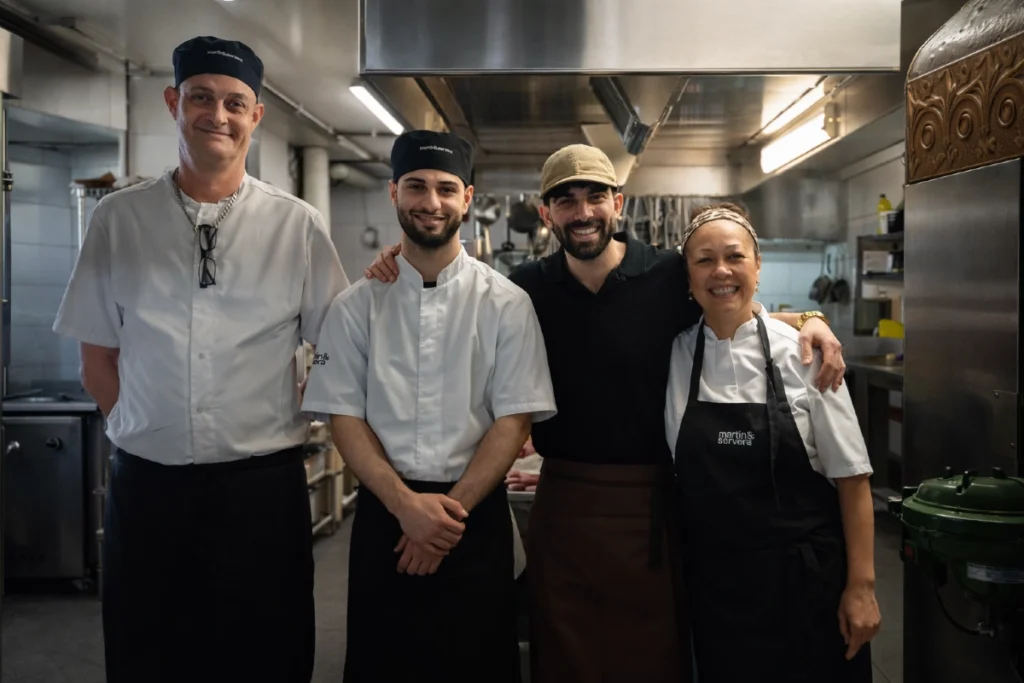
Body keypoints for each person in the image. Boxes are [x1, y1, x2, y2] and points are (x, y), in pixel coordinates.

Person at [363, 143, 847, 683]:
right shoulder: (525, 288)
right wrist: (400, 258)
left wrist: (810, 319)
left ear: (618, 203)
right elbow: (448, 290)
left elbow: (734, 304)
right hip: (564, 503)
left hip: (653, 505)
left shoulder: (668, 276)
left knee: (650, 659)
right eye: (565, 201)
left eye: (595, 197)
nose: (583, 212)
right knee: (565, 656)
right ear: (546, 214)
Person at [52, 36, 349, 683]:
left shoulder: (296, 226)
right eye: (201, 98)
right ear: (173, 102)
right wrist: (143, 428)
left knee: (267, 656)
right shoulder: (119, 220)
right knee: (149, 654)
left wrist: (308, 405)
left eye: (235, 103)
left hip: (261, 492)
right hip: (149, 490)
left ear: (256, 115)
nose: (218, 115)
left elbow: (340, 344)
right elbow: (97, 357)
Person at [301, 129, 556, 683]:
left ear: (467, 198)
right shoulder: (355, 307)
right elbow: (344, 416)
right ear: (394, 192)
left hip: (474, 518)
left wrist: (444, 519)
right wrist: (406, 507)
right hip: (386, 518)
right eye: (416, 186)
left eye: (445, 188)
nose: (431, 202)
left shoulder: (507, 303)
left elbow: (514, 419)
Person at [666, 203, 880, 682]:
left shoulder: (806, 354)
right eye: (704, 260)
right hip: (717, 590)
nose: (721, 271)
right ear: (688, 276)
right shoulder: (675, 354)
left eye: (735, 256)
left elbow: (853, 478)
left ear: (758, 266)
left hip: (805, 585)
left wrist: (862, 588)